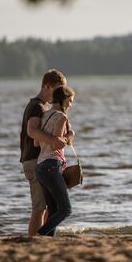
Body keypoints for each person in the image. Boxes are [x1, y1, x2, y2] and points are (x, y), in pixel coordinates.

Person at [19, 69, 67, 237]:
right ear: (47, 86)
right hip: (33, 160)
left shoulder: (42, 107)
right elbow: (32, 131)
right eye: (57, 89)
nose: (59, 94)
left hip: (37, 161)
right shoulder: (37, 106)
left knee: (46, 206)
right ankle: (33, 241)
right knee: (39, 208)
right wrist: (53, 140)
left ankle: (44, 239)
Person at [36, 85, 76, 237]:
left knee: (53, 210)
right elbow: (56, 143)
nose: (70, 104)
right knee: (66, 209)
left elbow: (36, 143)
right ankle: (40, 235)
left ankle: (46, 240)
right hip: (52, 165)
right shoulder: (61, 117)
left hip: (40, 166)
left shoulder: (45, 115)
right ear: (62, 99)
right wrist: (69, 135)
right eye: (70, 100)